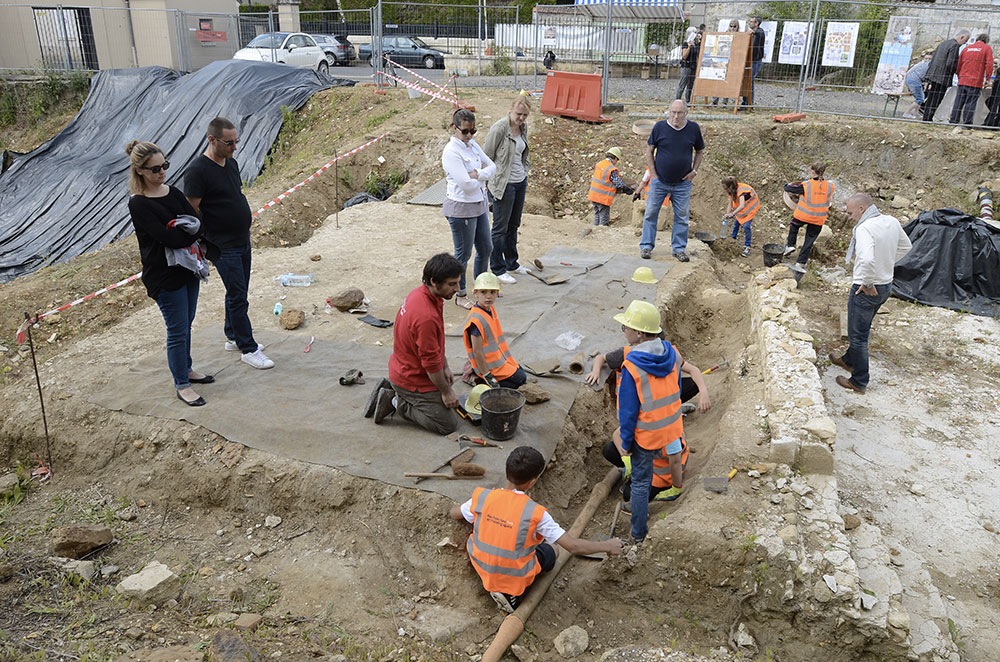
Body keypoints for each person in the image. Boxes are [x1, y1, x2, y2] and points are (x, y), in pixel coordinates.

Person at [449, 445, 622, 612]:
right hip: (513, 576)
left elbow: (454, 513)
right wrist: (608, 546)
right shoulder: (535, 513)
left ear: (506, 471)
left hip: (481, 566)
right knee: (552, 550)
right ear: (532, 482)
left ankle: (502, 583)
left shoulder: (483, 497)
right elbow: (573, 546)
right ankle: (512, 594)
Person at [596, 300, 710, 543]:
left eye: (626, 327)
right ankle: (672, 489)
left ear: (638, 333)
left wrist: (626, 442)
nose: (624, 331)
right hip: (672, 427)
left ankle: (638, 535)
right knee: (669, 460)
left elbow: (628, 412)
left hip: (647, 436)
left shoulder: (632, 367)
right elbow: (676, 387)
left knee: (638, 484)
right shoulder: (672, 352)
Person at [127, 141, 213, 407]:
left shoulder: (172, 192)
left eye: (164, 165)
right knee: (177, 330)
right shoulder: (139, 204)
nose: (161, 172)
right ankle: (182, 385)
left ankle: (185, 369)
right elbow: (169, 237)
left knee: (186, 324)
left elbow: (196, 224)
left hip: (187, 270)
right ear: (140, 170)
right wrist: (184, 231)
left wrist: (183, 231)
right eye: (155, 169)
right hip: (164, 277)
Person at [184, 117, 273, 370]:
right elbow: (192, 211)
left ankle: (232, 335)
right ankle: (248, 348)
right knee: (237, 296)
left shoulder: (230, 163)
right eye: (229, 143)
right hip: (222, 245)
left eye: (236, 142)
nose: (234, 147)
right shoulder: (197, 171)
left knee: (239, 291)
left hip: (241, 240)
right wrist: (205, 239)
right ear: (212, 140)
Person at [366, 253, 464, 434]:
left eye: (458, 282)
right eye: (452, 284)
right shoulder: (426, 316)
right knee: (448, 425)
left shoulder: (421, 294)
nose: (457, 288)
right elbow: (430, 362)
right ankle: (396, 402)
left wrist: (446, 365)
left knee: (449, 396)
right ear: (434, 281)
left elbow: (434, 344)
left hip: (406, 366)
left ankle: (397, 391)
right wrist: (446, 392)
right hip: (410, 377)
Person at [829, 194, 912, 394]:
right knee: (860, 328)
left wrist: (867, 281)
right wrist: (886, 262)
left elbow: (866, 259)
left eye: (850, 213)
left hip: (866, 288)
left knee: (858, 336)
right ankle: (849, 360)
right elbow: (906, 247)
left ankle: (859, 381)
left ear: (862, 209)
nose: (849, 217)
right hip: (885, 285)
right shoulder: (891, 221)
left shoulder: (865, 228)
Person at [442, 108, 496, 310]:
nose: (469, 135)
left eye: (472, 131)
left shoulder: (472, 145)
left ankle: (482, 287)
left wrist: (477, 175)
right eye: (465, 131)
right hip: (461, 207)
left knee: (485, 248)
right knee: (463, 254)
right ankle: (460, 293)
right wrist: (480, 177)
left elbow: (492, 167)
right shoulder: (451, 151)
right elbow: (465, 184)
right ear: (455, 128)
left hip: (479, 203)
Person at [641, 100, 704, 262]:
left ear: (686, 113)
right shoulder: (659, 127)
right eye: (673, 112)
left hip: (683, 183)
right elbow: (649, 151)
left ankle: (678, 249)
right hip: (659, 181)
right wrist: (653, 175)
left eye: (680, 113)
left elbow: (700, 151)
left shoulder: (693, 129)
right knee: (651, 214)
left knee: (682, 217)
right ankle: (646, 246)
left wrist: (694, 171)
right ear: (668, 112)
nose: (676, 116)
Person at [482, 96, 532, 285]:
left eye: (525, 115)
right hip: (504, 184)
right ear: (511, 109)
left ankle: (512, 263)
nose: (521, 118)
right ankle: (497, 268)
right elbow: (486, 156)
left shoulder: (523, 128)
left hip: (520, 181)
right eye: (518, 114)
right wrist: (488, 183)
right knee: (500, 228)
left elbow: (522, 152)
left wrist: (525, 170)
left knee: (514, 225)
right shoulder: (500, 128)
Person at [462, 272, 527, 390]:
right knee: (520, 380)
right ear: (475, 294)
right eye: (483, 292)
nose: (488, 296)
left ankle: (478, 374)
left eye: (492, 292)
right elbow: (477, 352)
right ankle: (478, 379)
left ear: (497, 293)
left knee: (520, 373)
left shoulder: (489, 309)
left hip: (498, 360)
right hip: (487, 367)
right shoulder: (476, 321)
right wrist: (487, 375)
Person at [782, 162, 834, 273]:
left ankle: (790, 245)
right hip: (819, 219)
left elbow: (789, 188)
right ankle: (801, 262)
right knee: (809, 241)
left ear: (812, 171)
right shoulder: (830, 186)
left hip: (803, 216)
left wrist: (786, 185)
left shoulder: (806, 185)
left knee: (794, 226)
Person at [922, 29, 972, 122]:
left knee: (931, 98)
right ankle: (928, 118)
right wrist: (957, 71)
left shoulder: (943, 43)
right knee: (937, 99)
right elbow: (950, 63)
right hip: (943, 77)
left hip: (934, 75)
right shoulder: (954, 45)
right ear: (961, 37)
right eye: (964, 41)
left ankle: (926, 117)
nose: (963, 44)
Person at [950, 34, 993, 126]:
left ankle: (953, 120)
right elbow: (989, 64)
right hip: (975, 81)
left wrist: (959, 75)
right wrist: (988, 78)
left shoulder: (967, 48)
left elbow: (959, 63)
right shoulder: (986, 48)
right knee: (971, 102)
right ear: (986, 41)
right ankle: (967, 123)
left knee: (958, 101)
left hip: (963, 80)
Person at [587, 147, 634, 227]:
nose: (616, 162)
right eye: (617, 160)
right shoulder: (611, 169)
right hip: (603, 197)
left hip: (593, 195)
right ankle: (601, 234)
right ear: (615, 158)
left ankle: (595, 232)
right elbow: (618, 183)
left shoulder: (600, 164)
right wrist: (627, 189)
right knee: (603, 217)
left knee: (597, 214)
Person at [722, 176, 759, 257]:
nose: (725, 190)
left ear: (730, 187)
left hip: (750, 208)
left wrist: (732, 214)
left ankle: (747, 246)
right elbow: (730, 204)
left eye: (725, 188)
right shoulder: (731, 191)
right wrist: (727, 214)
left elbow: (741, 205)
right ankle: (732, 240)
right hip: (742, 209)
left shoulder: (741, 191)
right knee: (736, 224)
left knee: (746, 226)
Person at [713, 21, 742, 107]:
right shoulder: (724, 35)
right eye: (731, 26)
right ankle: (715, 100)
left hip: (732, 62)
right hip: (723, 60)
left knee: (727, 82)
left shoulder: (740, 37)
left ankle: (724, 102)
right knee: (718, 81)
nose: (732, 28)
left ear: (737, 27)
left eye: (734, 27)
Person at [902, 50, 934, 119]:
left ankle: (916, 113)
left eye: (929, 59)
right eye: (926, 58)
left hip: (916, 81)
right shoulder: (922, 65)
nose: (927, 60)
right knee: (920, 99)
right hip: (914, 81)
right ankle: (907, 112)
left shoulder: (925, 65)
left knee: (921, 96)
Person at [745, 16, 766, 108]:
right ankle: (746, 102)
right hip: (749, 60)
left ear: (756, 23)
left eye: (751, 22)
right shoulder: (751, 33)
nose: (750, 23)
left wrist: (753, 31)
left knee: (750, 80)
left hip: (755, 61)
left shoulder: (760, 32)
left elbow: (759, 33)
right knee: (747, 81)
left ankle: (749, 103)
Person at [676, 26, 701, 103]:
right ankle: (677, 100)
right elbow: (684, 56)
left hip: (693, 66)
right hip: (686, 66)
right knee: (682, 84)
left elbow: (697, 56)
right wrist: (689, 47)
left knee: (690, 85)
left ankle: (687, 101)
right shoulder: (685, 43)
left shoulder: (696, 45)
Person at [984, 61, 1000, 127]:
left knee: (993, 104)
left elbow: (997, 81)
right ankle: (995, 122)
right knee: (992, 103)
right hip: (996, 89)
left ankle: (991, 122)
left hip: (997, 90)